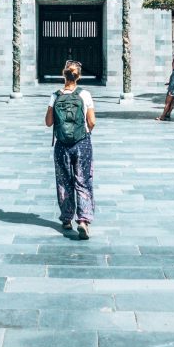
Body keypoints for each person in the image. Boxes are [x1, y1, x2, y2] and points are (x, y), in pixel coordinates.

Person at [45, 60, 97, 239]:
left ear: (63, 75)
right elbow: (92, 122)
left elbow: (48, 122)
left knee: (64, 181)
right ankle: (83, 220)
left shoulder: (55, 95)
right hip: (82, 143)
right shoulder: (85, 95)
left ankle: (66, 218)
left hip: (61, 146)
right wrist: (86, 130)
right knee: (83, 180)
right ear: (79, 76)